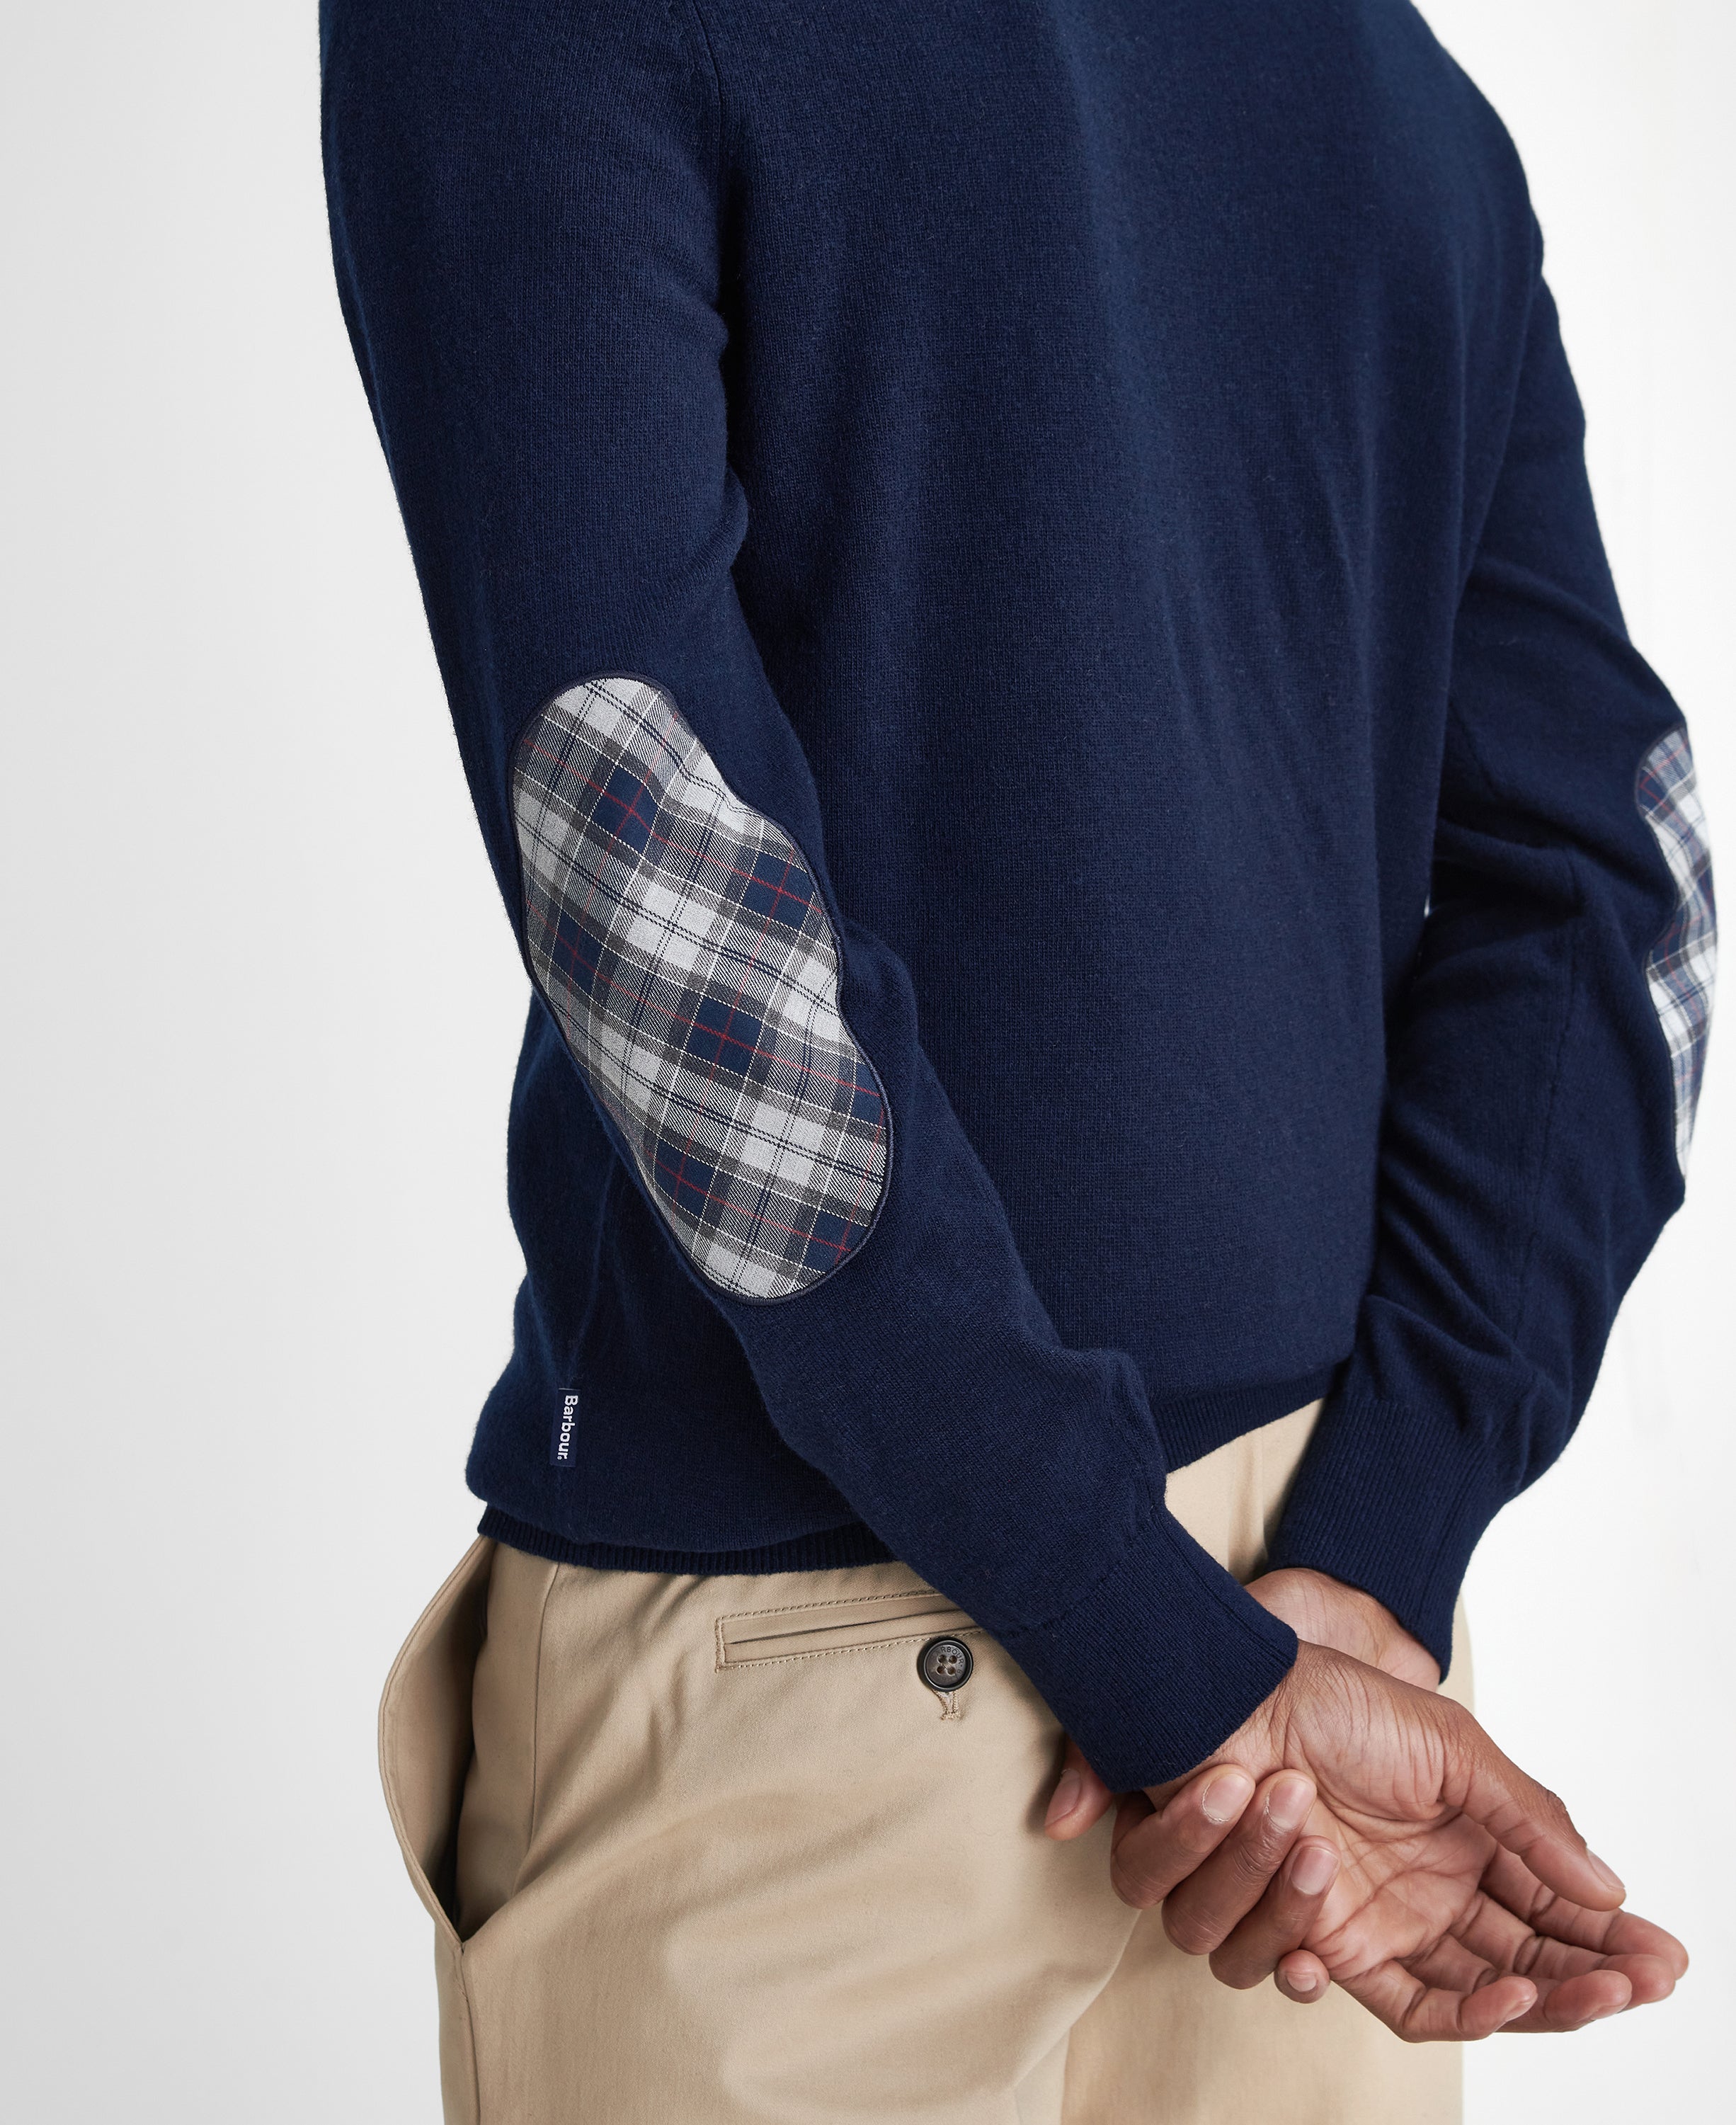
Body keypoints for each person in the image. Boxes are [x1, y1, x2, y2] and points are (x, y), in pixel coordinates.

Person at [321, 0, 1710, 2117]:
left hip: (834, 1718)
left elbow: (650, 872)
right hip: (1308, 1707)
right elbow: (1626, 879)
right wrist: (1359, 1554)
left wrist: (1177, 1640)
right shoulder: (1387, 81)